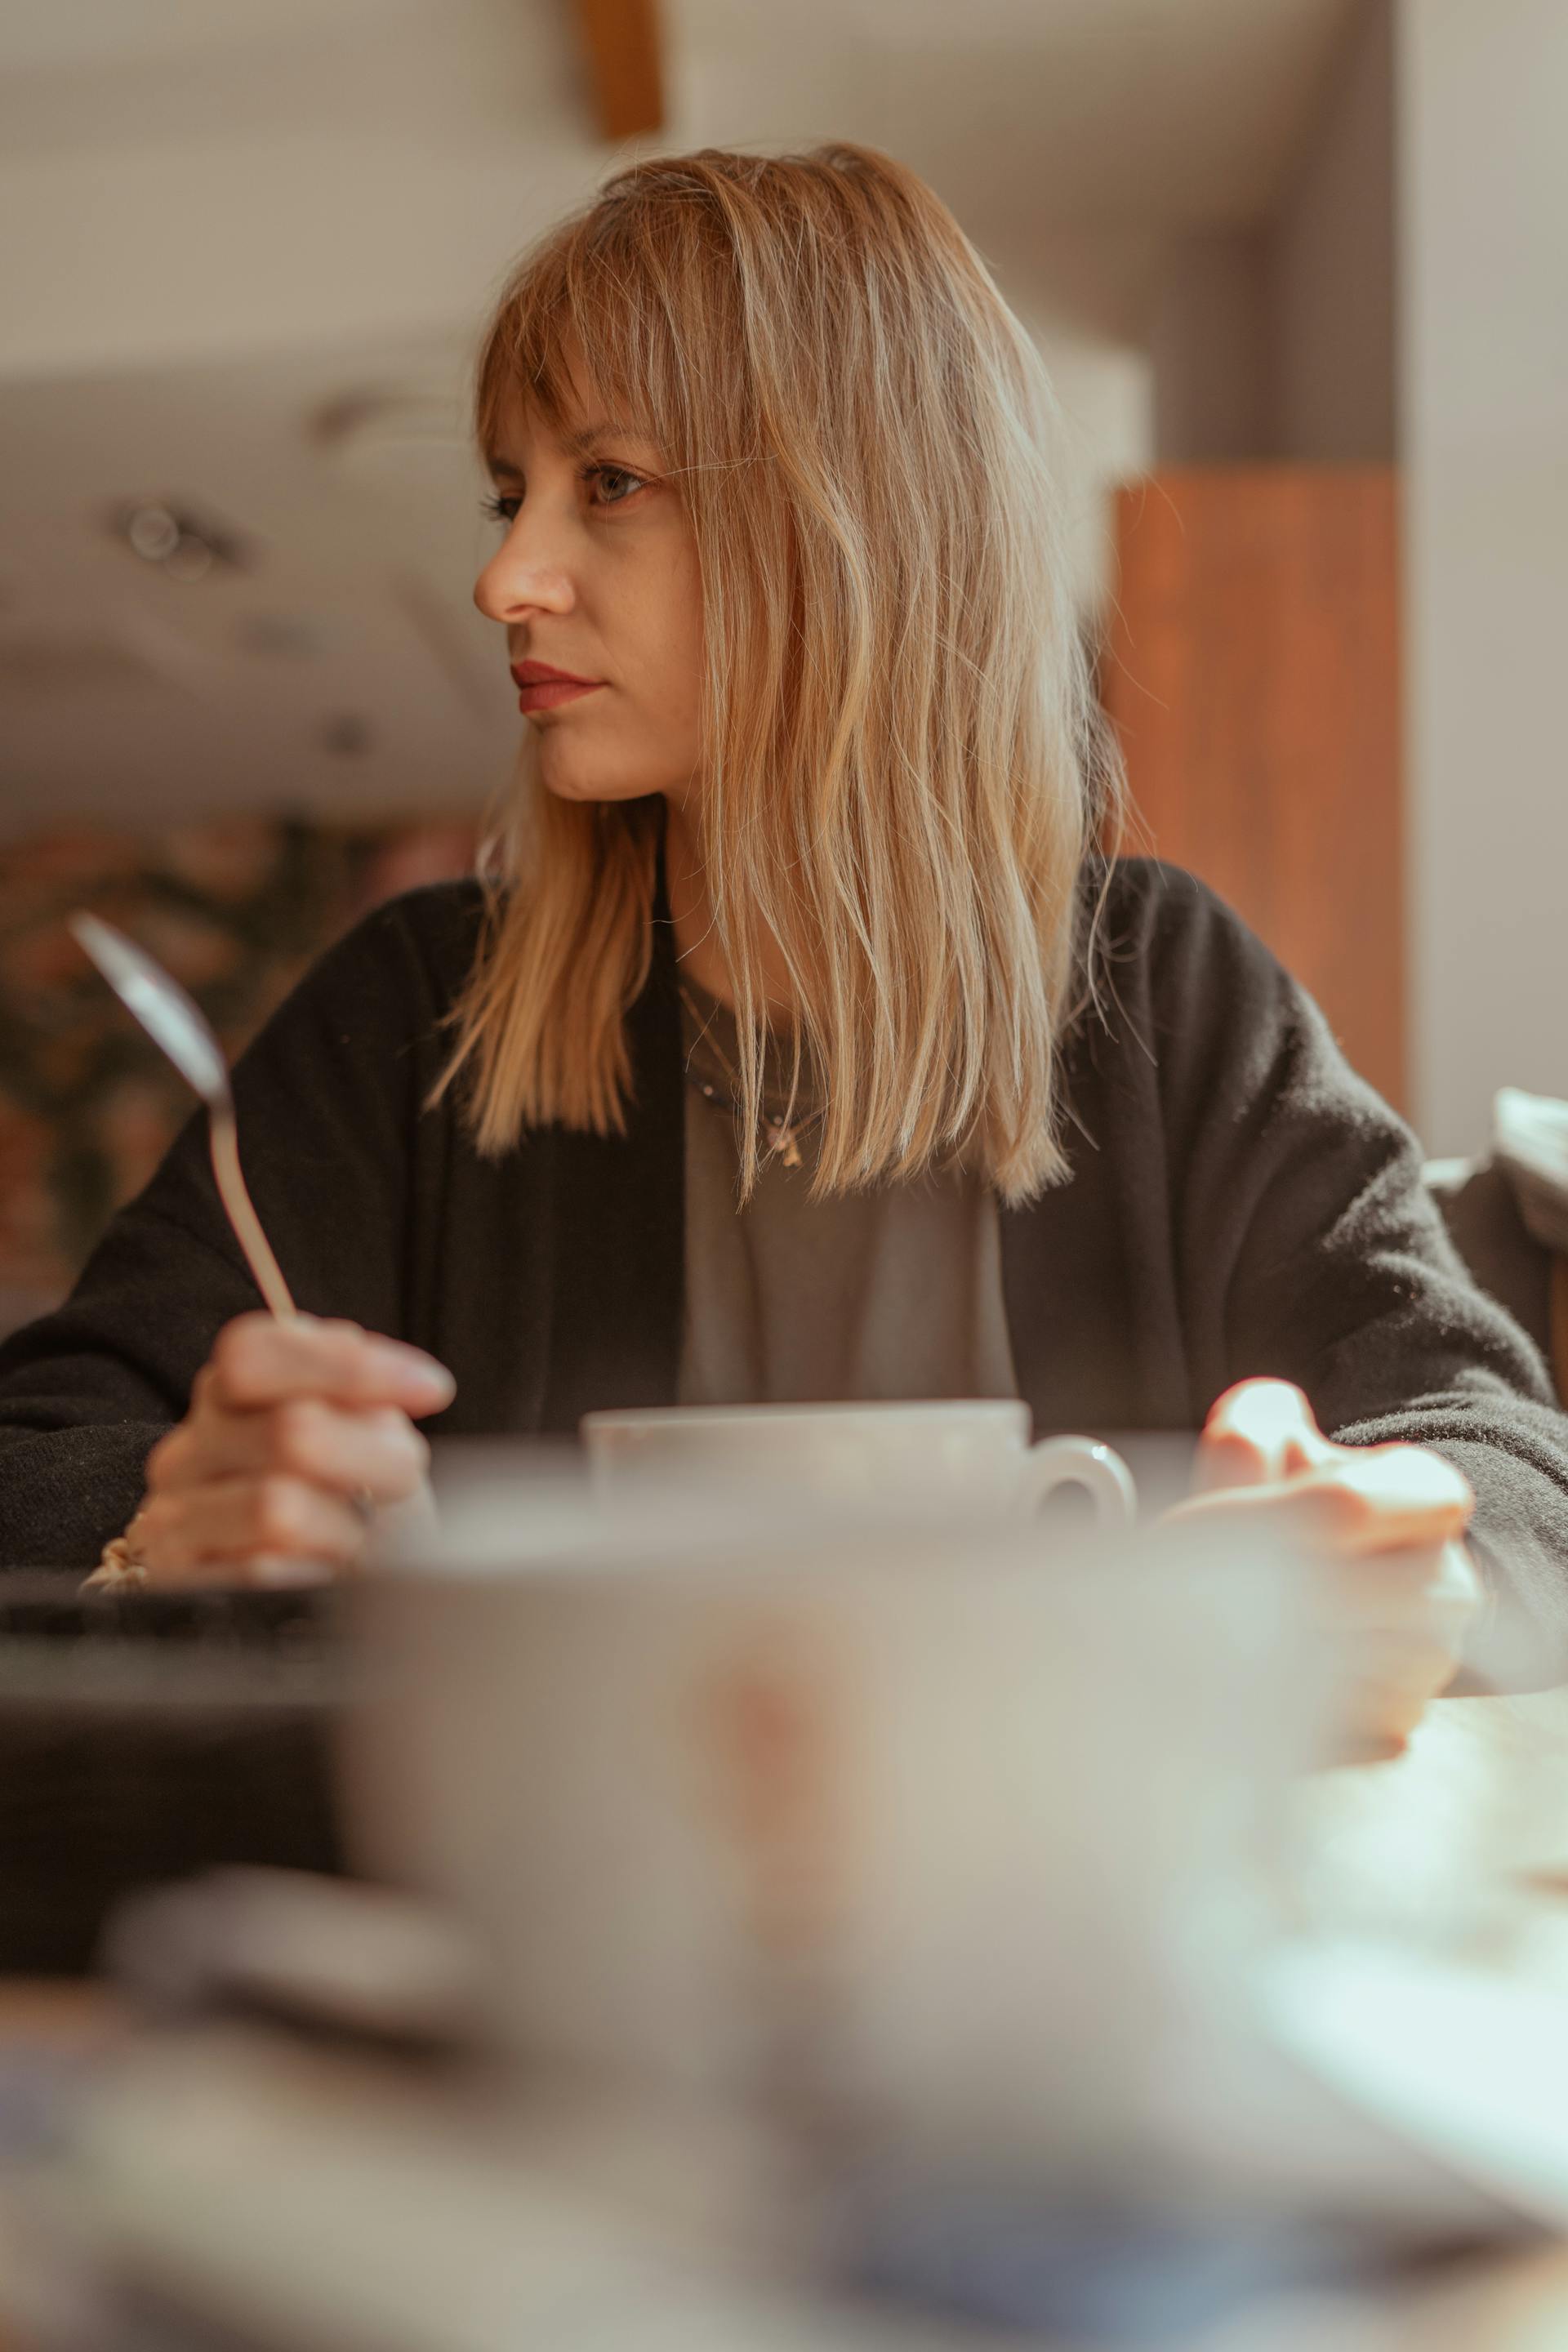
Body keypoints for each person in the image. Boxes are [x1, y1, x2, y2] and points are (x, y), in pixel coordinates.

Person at [1, 142, 1564, 1748]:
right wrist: (160, 1534)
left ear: (851, 515)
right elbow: (38, 1451)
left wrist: (1401, 1557)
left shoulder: (1166, 989)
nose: (504, 578)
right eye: (509, 493)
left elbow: (1505, 1460)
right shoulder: (414, 1012)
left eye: (606, 482)